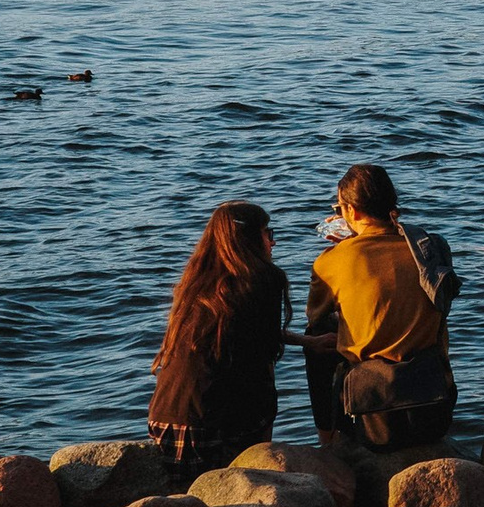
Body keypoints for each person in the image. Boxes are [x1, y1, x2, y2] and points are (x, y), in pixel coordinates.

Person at [305, 163, 461, 452]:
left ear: (351, 211)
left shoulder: (333, 261)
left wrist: (344, 251)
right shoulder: (429, 248)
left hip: (373, 422)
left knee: (317, 332)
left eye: (339, 208)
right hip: (434, 410)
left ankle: (327, 443)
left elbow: (315, 313)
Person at [147, 201, 288, 474]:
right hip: (210, 430)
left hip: (165, 420)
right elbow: (266, 351)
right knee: (260, 390)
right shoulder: (263, 279)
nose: (273, 242)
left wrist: (307, 341)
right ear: (250, 240)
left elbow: (236, 335)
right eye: (268, 234)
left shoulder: (197, 282)